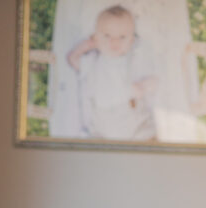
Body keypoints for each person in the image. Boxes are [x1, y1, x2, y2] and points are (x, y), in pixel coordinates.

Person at [66, 5, 157, 140]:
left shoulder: (134, 58)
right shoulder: (92, 61)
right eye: (107, 35)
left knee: (144, 132)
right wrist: (86, 45)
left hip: (130, 111)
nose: (114, 41)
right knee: (101, 141)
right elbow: (72, 59)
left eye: (122, 37)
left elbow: (153, 79)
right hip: (104, 118)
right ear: (95, 38)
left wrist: (144, 86)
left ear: (132, 41)